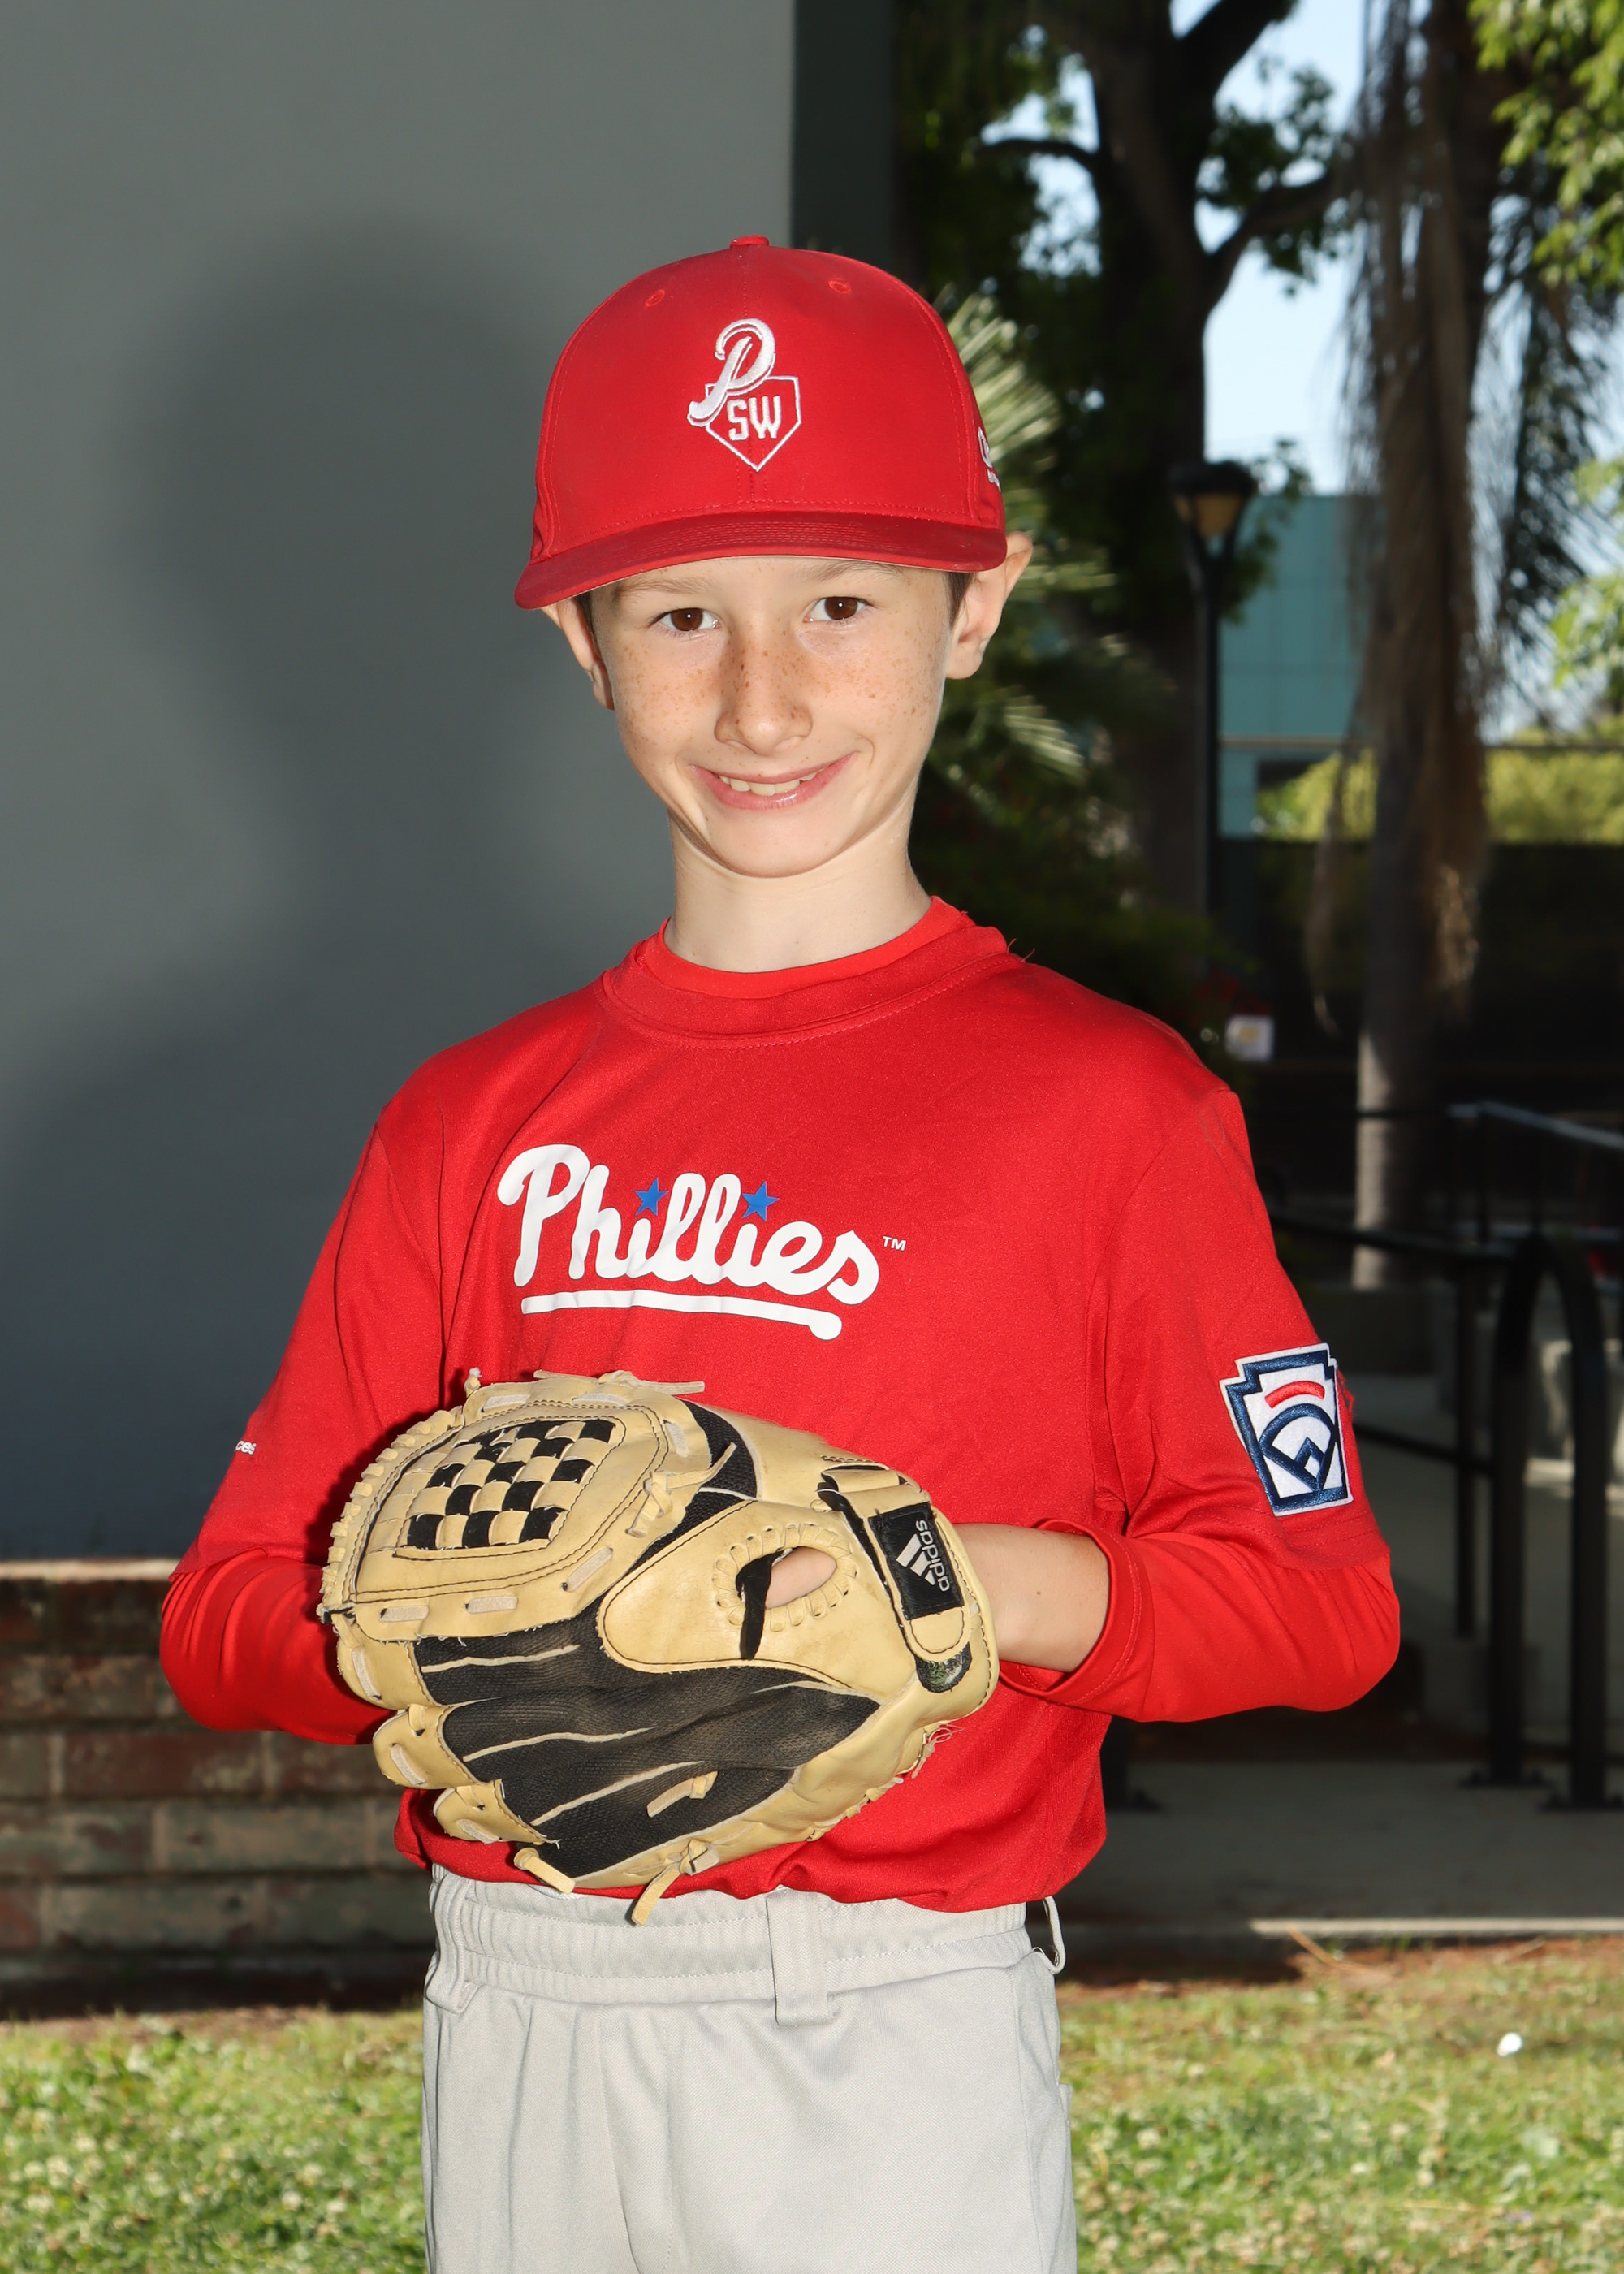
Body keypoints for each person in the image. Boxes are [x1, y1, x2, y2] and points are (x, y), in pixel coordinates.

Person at [162, 237, 1398, 2274]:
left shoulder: (1111, 1107)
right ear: (580, 637)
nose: (760, 697)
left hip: (888, 2017)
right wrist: (463, 1629)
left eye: (838, 601)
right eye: (680, 613)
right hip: (527, 1988)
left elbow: (1317, 1603)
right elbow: (225, 1612)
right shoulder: (469, 1123)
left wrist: (954, 1584)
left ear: (971, 609)